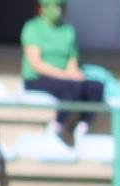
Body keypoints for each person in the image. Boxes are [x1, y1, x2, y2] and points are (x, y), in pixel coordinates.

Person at [20, 0, 105, 147]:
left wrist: (74, 73)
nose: (58, 10)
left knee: (95, 87)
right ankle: (55, 127)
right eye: (54, 6)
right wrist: (66, 76)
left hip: (65, 78)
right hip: (37, 78)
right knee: (73, 87)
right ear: (43, 8)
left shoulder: (68, 30)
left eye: (61, 6)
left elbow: (72, 60)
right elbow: (36, 64)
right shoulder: (33, 27)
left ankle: (82, 128)